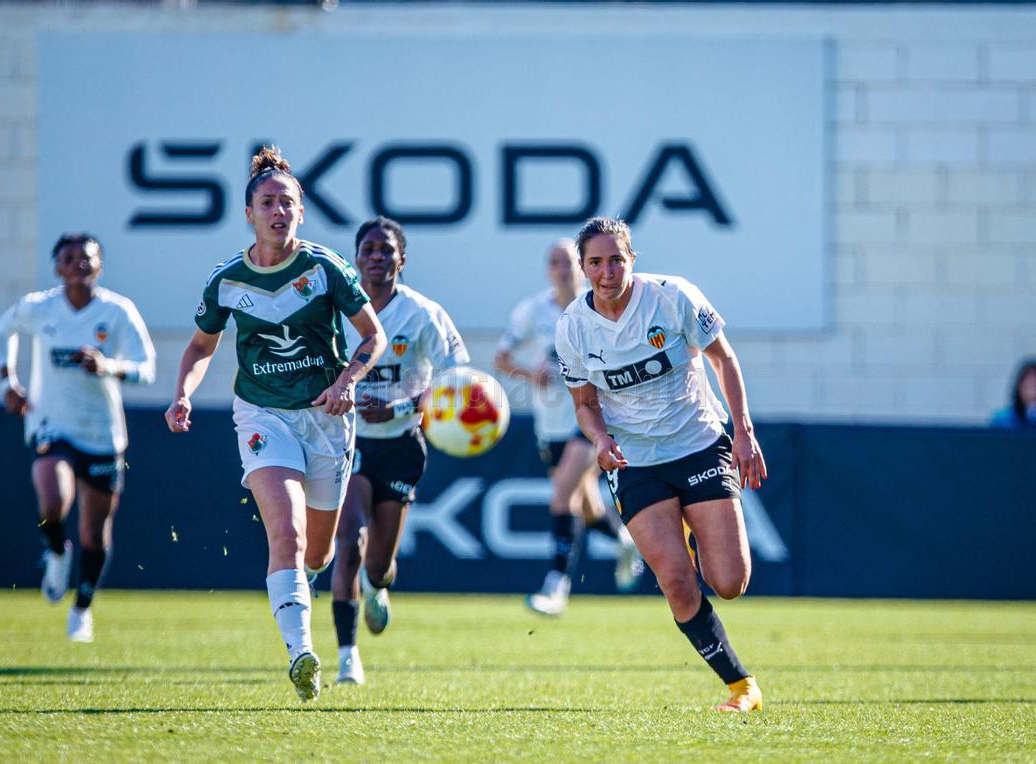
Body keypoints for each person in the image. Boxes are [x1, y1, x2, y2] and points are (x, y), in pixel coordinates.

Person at [165, 146, 384, 702]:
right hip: (262, 414)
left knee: (317, 553)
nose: (278, 211)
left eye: (287, 201)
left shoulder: (325, 268)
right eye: (267, 202)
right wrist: (182, 395)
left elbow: (372, 335)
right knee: (284, 534)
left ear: (301, 211)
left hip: (327, 419)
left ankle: (305, 585)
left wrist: (346, 384)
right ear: (249, 213)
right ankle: (301, 654)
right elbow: (199, 346)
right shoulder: (227, 281)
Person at [555, 217, 767, 713]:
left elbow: (723, 359)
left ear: (632, 259)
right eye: (596, 262)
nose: (608, 271)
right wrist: (602, 439)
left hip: (698, 443)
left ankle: (693, 531)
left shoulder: (674, 298)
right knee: (675, 579)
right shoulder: (573, 327)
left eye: (616, 259)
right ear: (583, 268)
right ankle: (741, 687)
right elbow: (584, 403)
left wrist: (744, 432)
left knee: (730, 583)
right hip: (636, 462)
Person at [324, 216, 470, 685]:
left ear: (401, 260)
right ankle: (348, 655)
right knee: (349, 538)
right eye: (368, 249)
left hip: (404, 445)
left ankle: (376, 585)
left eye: (386, 250)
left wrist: (403, 407)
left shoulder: (424, 313)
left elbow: (456, 378)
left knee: (381, 564)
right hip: (347, 442)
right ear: (356, 257)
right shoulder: (334, 310)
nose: (377, 257)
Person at [0, 233, 156, 643]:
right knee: (52, 501)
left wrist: (108, 367)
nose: (78, 266)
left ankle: (82, 606)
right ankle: (56, 551)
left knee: (94, 534)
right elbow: (2, 330)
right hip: (52, 425)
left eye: (86, 259)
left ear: (99, 266)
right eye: (69, 259)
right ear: (57, 267)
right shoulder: (39, 307)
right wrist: (7, 381)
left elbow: (146, 368)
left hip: (101, 433)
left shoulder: (117, 311)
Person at [495, 239, 642, 617]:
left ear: (580, 267)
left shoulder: (597, 309)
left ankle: (556, 586)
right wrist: (532, 374)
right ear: (548, 270)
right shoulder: (532, 310)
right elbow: (501, 358)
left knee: (562, 497)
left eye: (567, 262)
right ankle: (625, 540)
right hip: (551, 424)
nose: (561, 269)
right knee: (587, 505)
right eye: (554, 263)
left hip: (593, 418)